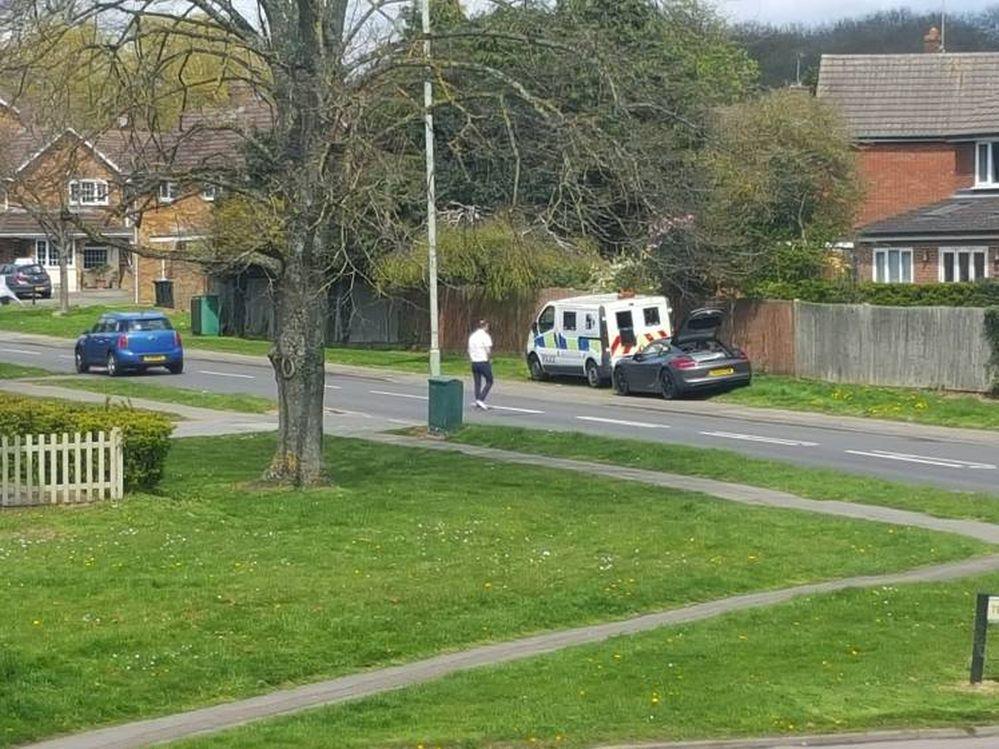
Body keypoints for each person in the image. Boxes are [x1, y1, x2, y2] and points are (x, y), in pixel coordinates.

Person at [467, 319, 494, 410]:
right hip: (483, 361)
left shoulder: (472, 336)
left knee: (477, 382)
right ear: (485, 326)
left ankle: (477, 399)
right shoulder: (485, 336)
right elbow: (488, 350)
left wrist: (472, 358)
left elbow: (469, 349)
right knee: (490, 381)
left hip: (474, 362)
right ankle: (481, 399)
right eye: (487, 326)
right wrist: (490, 359)